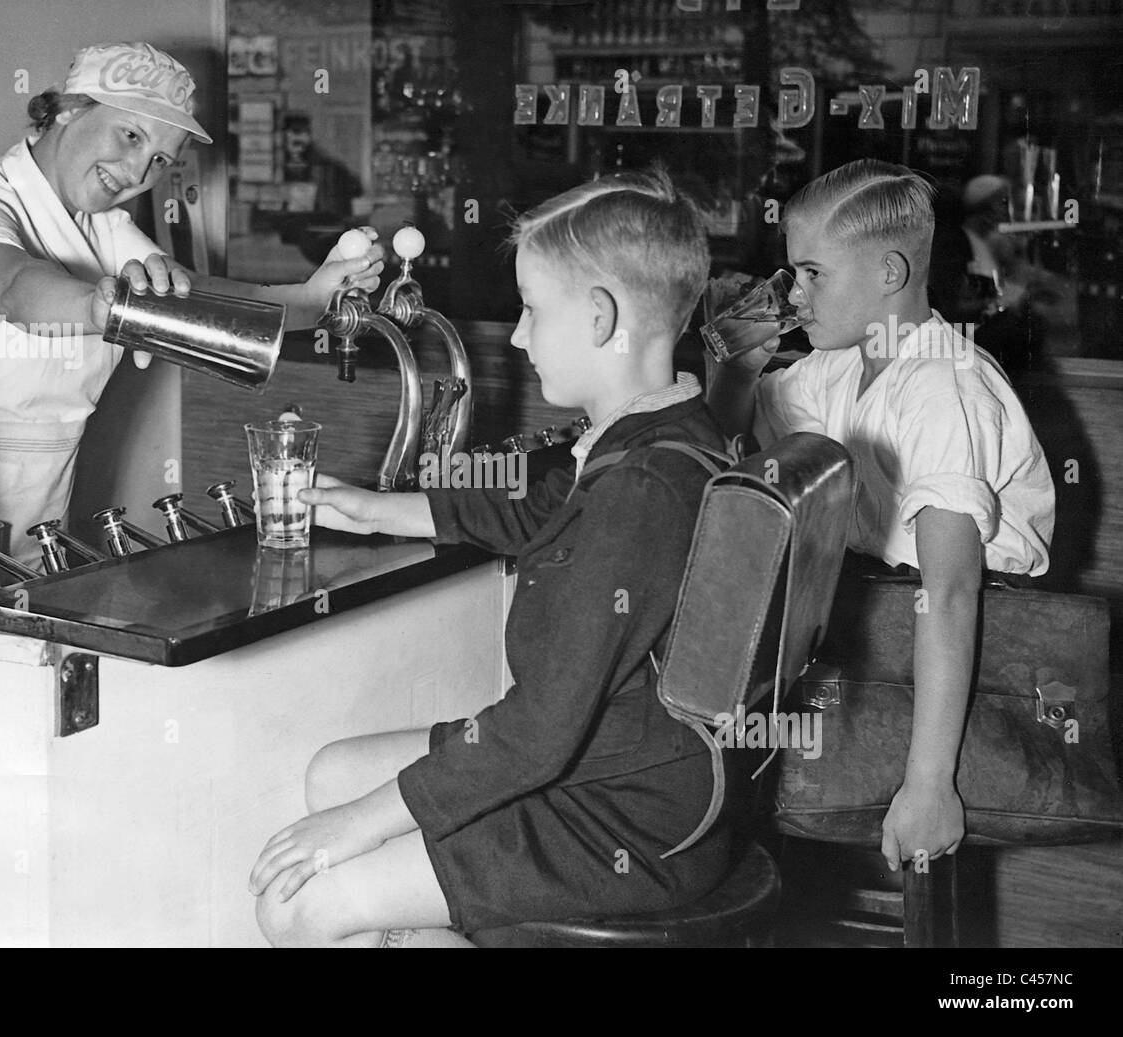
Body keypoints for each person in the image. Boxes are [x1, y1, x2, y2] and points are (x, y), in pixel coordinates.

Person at [249, 169, 732, 947]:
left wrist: (355, 830)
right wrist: (374, 511)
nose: (516, 336)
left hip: (617, 819)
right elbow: (530, 508)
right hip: (638, 770)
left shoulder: (639, 490)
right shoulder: (662, 431)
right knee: (330, 775)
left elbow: (538, 732)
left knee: (296, 902)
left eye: (532, 311)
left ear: (602, 317)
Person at [0, 41, 383, 610]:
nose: (137, 171)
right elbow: (12, 287)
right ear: (68, 108)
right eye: (130, 136)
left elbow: (210, 299)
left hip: (38, 519)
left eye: (160, 161)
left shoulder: (102, 228)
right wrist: (100, 308)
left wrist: (316, 296)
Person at [707, 159, 1056, 871]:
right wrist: (737, 366)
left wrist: (931, 784)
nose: (793, 295)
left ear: (890, 273)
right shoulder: (837, 365)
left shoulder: (939, 384)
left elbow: (953, 590)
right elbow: (727, 440)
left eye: (811, 273)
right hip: (876, 631)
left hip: (967, 645)